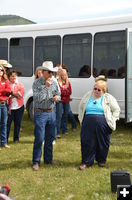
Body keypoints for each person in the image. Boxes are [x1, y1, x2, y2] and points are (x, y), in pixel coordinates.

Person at [78, 75, 120, 170]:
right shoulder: (87, 95)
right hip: (88, 122)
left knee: (103, 142)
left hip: (103, 124)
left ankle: (101, 160)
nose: (96, 91)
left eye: (99, 90)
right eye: (95, 89)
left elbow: (116, 110)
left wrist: (113, 120)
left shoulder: (108, 98)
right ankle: (86, 162)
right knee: (87, 142)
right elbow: (81, 107)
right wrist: (81, 119)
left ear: (104, 91)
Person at [32, 61, 60, 171]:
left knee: (50, 137)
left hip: (51, 112)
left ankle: (48, 159)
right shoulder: (37, 83)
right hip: (40, 113)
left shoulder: (53, 82)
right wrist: (46, 88)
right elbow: (38, 98)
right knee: (39, 138)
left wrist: (57, 97)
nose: (51, 74)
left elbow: (58, 93)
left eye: (52, 72)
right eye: (49, 72)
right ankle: (36, 161)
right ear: (43, 72)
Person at [7, 70, 25, 143]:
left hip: (19, 107)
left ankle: (16, 139)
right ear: (9, 77)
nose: (13, 77)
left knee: (17, 124)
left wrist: (11, 94)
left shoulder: (20, 84)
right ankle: (5, 139)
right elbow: (6, 94)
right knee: (7, 124)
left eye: (15, 75)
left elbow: (21, 95)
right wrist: (14, 94)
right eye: (12, 76)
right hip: (9, 108)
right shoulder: (7, 84)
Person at [57, 69, 72, 135]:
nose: (64, 76)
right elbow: (59, 92)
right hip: (60, 101)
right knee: (59, 115)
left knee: (65, 115)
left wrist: (63, 92)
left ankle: (64, 130)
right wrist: (65, 92)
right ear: (60, 75)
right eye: (62, 75)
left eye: (65, 75)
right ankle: (57, 131)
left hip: (66, 101)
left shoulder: (68, 82)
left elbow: (70, 92)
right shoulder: (58, 82)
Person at [0, 65, 11, 148]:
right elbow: (6, 91)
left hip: (4, 105)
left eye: (1, 70)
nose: (0, 71)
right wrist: (4, 91)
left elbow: (9, 90)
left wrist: (1, 91)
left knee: (4, 124)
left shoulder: (5, 80)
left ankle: (3, 142)